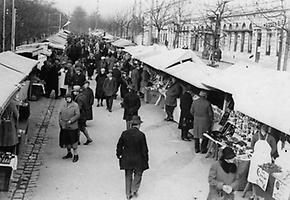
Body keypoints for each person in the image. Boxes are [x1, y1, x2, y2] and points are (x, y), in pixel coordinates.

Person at [116, 115, 149, 200]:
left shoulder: (124, 133)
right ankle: (134, 189)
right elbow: (144, 149)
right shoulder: (141, 135)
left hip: (127, 158)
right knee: (138, 173)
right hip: (138, 159)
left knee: (128, 175)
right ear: (139, 125)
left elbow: (119, 145)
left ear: (131, 124)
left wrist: (119, 154)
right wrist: (146, 159)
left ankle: (127, 194)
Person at [59, 94, 80, 162]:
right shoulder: (64, 105)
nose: (67, 99)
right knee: (66, 141)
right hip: (64, 126)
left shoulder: (75, 105)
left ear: (71, 98)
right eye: (66, 98)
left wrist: (71, 120)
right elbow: (60, 113)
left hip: (72, 127)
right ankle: (69, 153)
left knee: (73, 141)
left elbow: (77, 115)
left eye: (69, 98)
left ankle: (76, 155)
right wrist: (60, 121)